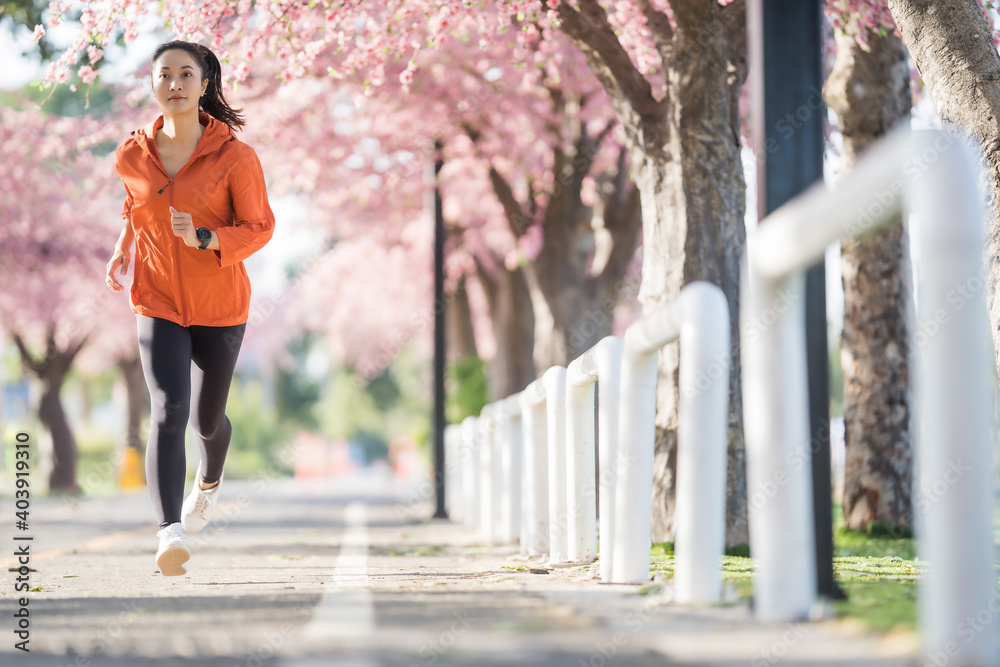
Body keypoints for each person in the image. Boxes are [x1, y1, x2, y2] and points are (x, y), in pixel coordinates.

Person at [106, 40, 274, 577]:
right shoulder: (132, 153)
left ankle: (209, 481)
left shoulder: (235, 156)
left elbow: (260, 226)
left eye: (185, 74)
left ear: (205, 85)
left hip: (220, 304)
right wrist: (122, 248)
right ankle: (168, 532)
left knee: (206, 419)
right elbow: (136, 206)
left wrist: (206, 238)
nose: (174, 83)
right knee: (168, 408)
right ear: (152, 84)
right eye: (164, 75)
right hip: (156, 299)